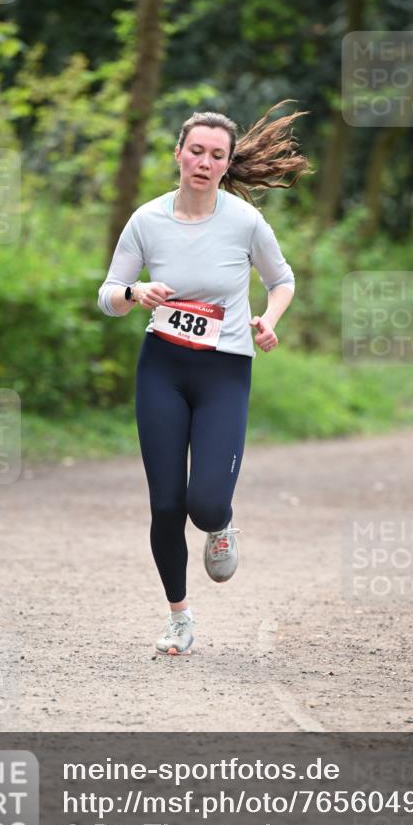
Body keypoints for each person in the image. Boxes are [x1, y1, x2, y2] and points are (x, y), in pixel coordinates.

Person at [97, 100, 311, 656]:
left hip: (224, 371)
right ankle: (179, 618)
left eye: (217, 155)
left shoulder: (244, 222)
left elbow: (282, 280)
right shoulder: (147, 220)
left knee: (206, 504)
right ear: (179, 154)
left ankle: (222, 524)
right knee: (166, 506)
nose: (205, 162)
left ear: (227, 163)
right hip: (162, 367)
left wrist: (269, 319)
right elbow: (108, 295)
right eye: (196, 151)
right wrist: (134, 292)